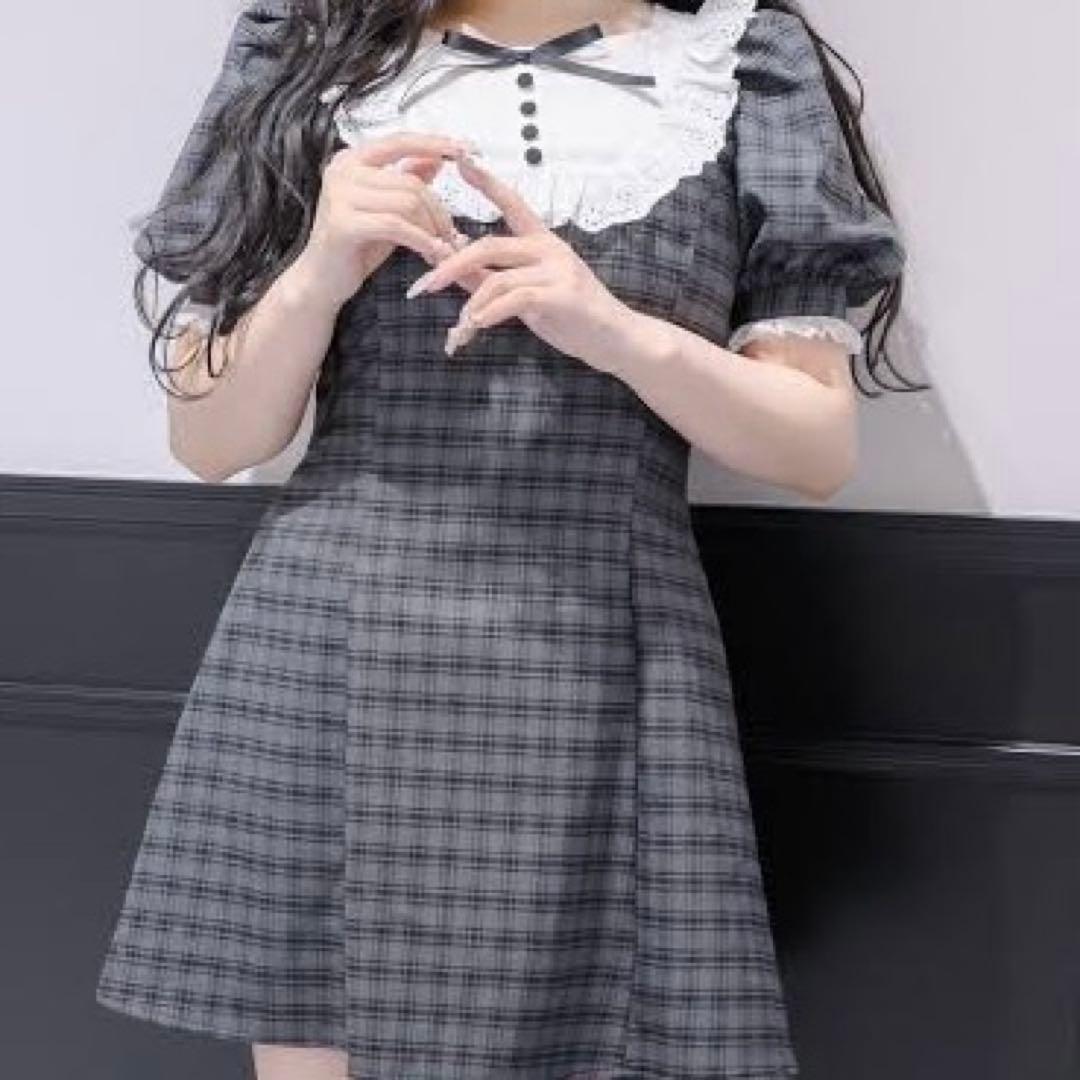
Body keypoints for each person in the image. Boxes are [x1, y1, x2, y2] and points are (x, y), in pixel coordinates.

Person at [96, 2, 910, 1078]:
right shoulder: (308, 49)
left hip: (607, 658)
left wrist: (614, 333)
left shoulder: (740, 64)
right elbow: (210, 441)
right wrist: (321, 268)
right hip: (332, 656)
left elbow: (815, 448)